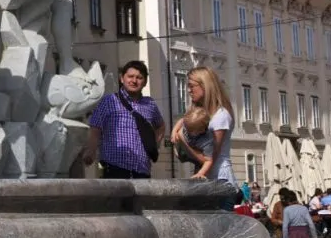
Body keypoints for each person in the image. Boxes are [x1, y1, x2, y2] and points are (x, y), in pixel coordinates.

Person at [82, 61, 165, 179]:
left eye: (139, 77)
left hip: (142, 170)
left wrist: (154, 144)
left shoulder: (150, 104)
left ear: (145, 82)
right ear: (122, 79)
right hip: (115, 168)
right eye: (130, 76)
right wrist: (91, 150)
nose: (134, 81)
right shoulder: (109, 100)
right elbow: (95, 127)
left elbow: (161, 126)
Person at [171, 67, 236, 205]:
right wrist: (175, 131)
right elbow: (183, 120)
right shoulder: (203, 112)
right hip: (210, 181)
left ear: (205, 85)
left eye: (191, 86)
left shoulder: (221, 116)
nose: (188, 90)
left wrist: (183, 139)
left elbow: (209, 158)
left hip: (220, 181)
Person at [174, 106, 214, 179]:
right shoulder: (188, 123)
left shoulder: (207, 141)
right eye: (186, 127)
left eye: (190, 131)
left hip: (194, 152)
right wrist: (174, 132)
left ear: (201, 130)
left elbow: (208, 161)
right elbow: (181, 121)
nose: (187, 131)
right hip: (183, 148)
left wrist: (200, 173)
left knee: (200, 165)